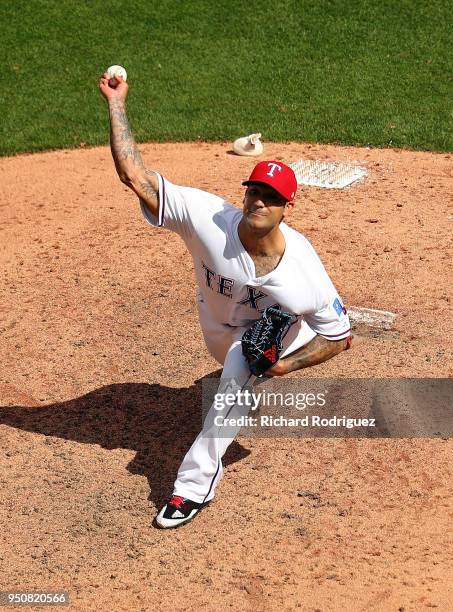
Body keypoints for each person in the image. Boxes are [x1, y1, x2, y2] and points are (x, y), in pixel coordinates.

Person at [99, 73, 352, 529]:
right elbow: (133, 175)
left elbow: (340, 337)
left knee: (239, 373)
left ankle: (190, 489)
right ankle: (249, 362)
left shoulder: (305, 273)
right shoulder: (207, 217)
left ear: (286, 206)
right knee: (233, 355)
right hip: (215, 325)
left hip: (280, 332)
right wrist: (117, 103)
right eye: (254, 190)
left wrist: (283, 367)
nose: (258, 201)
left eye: (270, 196)